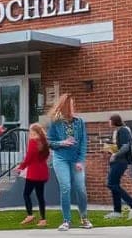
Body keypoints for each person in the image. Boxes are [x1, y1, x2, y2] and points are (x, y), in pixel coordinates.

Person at [46, 94, 91, 231]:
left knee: (80, 189)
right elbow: (49, 142)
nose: (73, 107)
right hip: (60, 158)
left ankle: (84, 217)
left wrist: (80, 160)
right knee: (66, 187)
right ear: (65, 107)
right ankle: (67, 220)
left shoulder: (79, 122)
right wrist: (62, 142)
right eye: (71, 105)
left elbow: (83, 143)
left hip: (76, 159)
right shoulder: (56, 122)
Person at [104, 114, 132, 220]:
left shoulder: (123, 130)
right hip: (117, 161)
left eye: (110, 120)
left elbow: (125, 146)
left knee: (111, 184)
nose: (108, 122)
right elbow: (119, 145)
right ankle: (117, 211)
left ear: (115, 121)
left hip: (121, 161)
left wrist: (115, 154)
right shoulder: (117, 131)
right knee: (114, 184)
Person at [15, 122, 50, 226]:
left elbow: (29, 157)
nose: (30, 134)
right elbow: (46, 157)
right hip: (42, 172)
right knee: (40, 196)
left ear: (34, 132)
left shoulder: (32, 142)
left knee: (26, 194)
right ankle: (43, 219)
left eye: (31, 132)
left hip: (33, 173)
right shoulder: (44, 143)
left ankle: (30, 214)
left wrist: (21, 167)